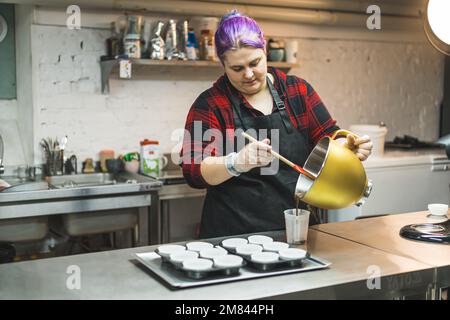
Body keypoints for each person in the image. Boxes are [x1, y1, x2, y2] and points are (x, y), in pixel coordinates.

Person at [180, 11, 373, 238]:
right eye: (237, 68)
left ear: (265, 51)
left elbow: (329, 137)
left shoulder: (297, 91)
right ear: (223, 64)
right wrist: (237, 162)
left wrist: (348, 147)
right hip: (232, 239)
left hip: (297, 231)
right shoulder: (212, 104)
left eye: (255, 62)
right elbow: (194, 171)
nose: (249, 74)